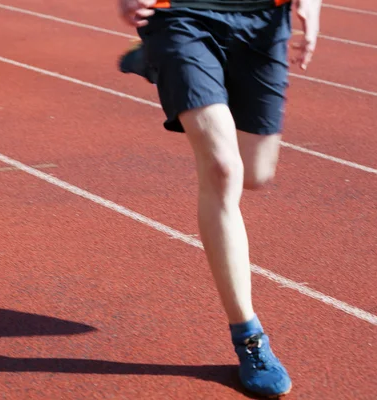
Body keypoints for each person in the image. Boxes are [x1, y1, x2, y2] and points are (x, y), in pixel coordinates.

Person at [117, 0, 321, 397]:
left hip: (262, 18)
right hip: (181, 13)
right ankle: (250, 338)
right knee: (223, 170)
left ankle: (158, 63)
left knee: (257, 173)